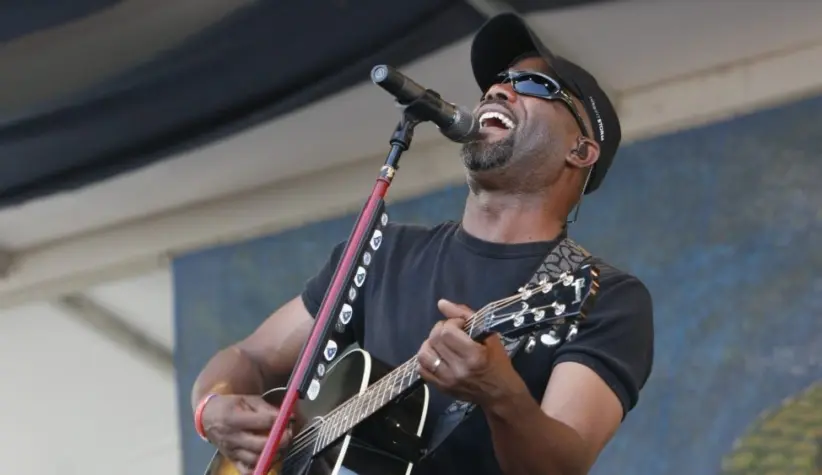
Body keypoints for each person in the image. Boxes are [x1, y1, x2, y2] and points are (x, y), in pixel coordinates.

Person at [191, 12, 654, 475]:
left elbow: (560, 468)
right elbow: (250, 357)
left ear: (580, 149)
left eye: (532, 84)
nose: (498, 90)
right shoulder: (385, 253)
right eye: (498, 81)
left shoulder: (602, 297)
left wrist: (501, 393)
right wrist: (211, 408)